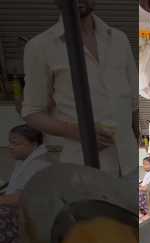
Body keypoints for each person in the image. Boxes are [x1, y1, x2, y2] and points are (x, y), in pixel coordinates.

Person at [21, 0, 138, 176]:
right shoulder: (40, 47)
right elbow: (32, 113)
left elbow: (133, 102)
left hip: (129, 162)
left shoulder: (119, 40)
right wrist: (80, 132)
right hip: (81, 166)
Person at [0, 125, 51, 243]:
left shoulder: (39, 164)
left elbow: (21, 198)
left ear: (34, 145)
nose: (11, 147)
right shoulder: (24, 162)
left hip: (35, 215)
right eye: (10, 142)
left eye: (16, 143)